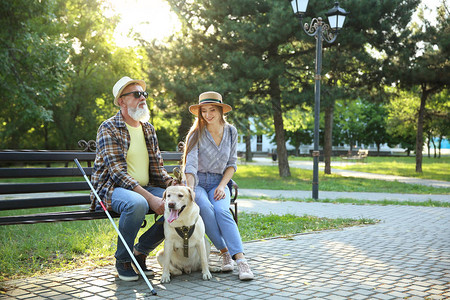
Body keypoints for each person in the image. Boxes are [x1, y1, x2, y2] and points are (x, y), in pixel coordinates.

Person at [91, 76, 176, 281]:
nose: (143, 98)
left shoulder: (148, 128)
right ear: (122, 101)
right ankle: (123, 259)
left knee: (178, 205)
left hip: (145, 186)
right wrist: (150, 198)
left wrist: (172, 184)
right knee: (138, 204)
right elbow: (118, 173)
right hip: (112, 189)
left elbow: (157, 169)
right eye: (137, 94)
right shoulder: (109, 128)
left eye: (144, 94)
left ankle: (140, 252)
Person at [182, 91, 254, 281]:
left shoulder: (231, 131)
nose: (207, 114)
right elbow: (190, 166)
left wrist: (222, 186)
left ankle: (241, 260)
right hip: (197, 182)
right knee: (204, 207)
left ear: (221, 110)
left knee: (222, 211)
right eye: (204, 111)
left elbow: (232, 164)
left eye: (212, 110)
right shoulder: (195, 134)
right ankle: (224, 253)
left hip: (218, 183)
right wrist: (190, 189)